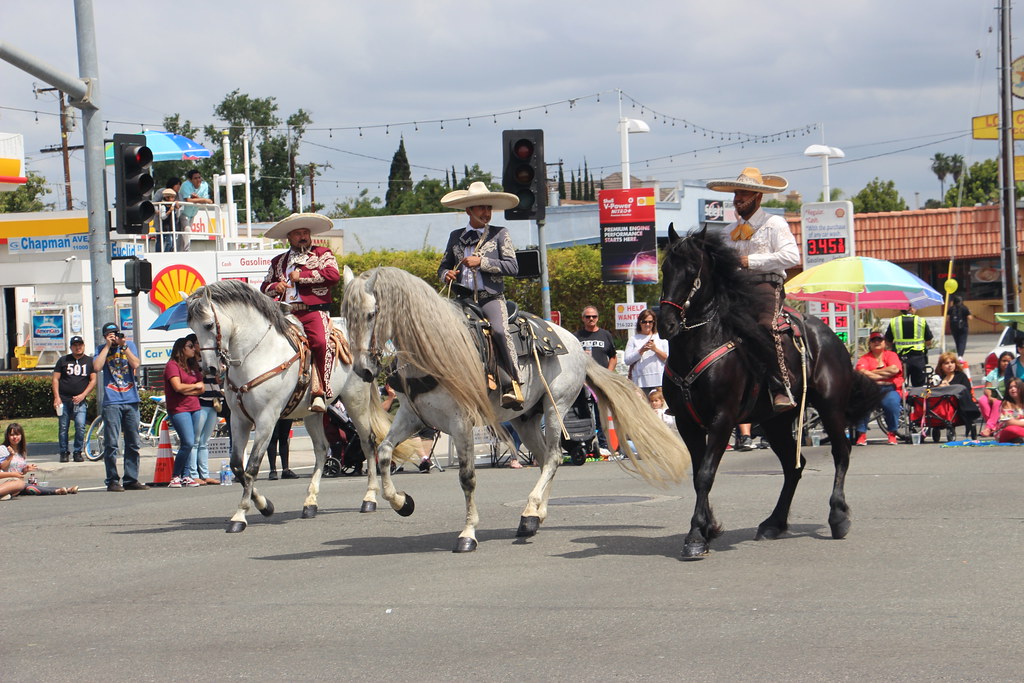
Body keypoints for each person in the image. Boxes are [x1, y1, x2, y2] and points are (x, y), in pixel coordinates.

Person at [706, 166, 800, 412]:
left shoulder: (774, 224)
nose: (738, 198)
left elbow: (791, 256)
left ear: (758, 196)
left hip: (766, 286)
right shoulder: (728, 233)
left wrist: (751, 261)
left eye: (743, 193)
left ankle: (782, 385)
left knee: (766, 325)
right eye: (736, 193)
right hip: (735, 291)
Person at [438, 181, 523, 410]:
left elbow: (513, 267)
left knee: (499, 330)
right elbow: (443, 266)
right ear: (469, 211)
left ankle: (513, 383)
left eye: (489, 208)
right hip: (462, 299)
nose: (486, 212)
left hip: (490, 298)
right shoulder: (455, 236)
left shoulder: (500, 234)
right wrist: (447, 275)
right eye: (481, 208)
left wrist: (482, 262)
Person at [260, 213, 340, 412]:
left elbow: (333, 275)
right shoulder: (278, 261)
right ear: (289, 237)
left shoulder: (322, 253)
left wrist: (301, 276)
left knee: (320, 342)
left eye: (306, 232)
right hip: (284, 313)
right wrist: (276, 287)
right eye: (298, 233)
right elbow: (264, 286)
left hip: (312, 311)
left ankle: (320, 390)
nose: (303, 236)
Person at [93, 322, 149, 492]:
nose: (114, 337)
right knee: (111, 443)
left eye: (116, 334)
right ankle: (112, 480)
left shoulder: (128, 346)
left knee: (133, 442)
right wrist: (107, 346)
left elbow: (136, 364)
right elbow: (96, 367)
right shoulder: (100, 349)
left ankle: (131, 479)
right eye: (110, 334)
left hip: (130, 399)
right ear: (105, 336)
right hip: (112, 401)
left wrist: (123, 347)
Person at [164, 337, 205, 488]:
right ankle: (175, 475)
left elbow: (202, 387)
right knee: (187, 442)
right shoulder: (172, 366)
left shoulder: (193, 366)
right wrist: (194, 387)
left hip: (194, 407)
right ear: (181, 349)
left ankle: (186, 475)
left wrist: (191, 388)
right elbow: (177, 387)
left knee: (190, 443)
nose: (193, 349)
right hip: (179, 408)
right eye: (190, 346)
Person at [575, 306, 617, 453]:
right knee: (584, 414)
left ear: (598, 318)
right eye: (587, 317)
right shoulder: (577, 336)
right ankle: (585, 445)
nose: (591, 319)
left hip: (600, 382)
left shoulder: (605, 335)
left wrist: (608, 374)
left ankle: (605, 445)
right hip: (583, 382)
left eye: (593, 316)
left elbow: (613, 357)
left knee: (602, 414)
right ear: (583, 319)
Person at [853, 331, 905, 446]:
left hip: (889, 389)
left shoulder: (891, 355)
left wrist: (872, 373)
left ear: (884, 343)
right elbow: (861, 373)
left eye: (879, 340)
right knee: (862, 403)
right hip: (870, 389)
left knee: (891, 403)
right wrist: (885, 374)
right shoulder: (865, 358)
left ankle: (892, 433)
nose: (876, 342)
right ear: (870, 344)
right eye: (873, 340)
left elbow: (894, 370)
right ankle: (861, 434)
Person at [1, 423, 78, 497]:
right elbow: (2, 467)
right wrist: (11, 455)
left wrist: (25, 469)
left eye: (17, 434)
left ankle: (66, 489)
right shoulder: (3, 449)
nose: (15, 437)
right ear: (7, 436)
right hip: (7, 481)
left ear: (21, 436)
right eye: (12, 435)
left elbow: (19, 471)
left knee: (29, 486)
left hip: (16, 481)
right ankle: (57, 491)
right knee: (25, 486)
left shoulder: (22, 452)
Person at [51, 335, 96, 463]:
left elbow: (93, 380)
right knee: (63, 427)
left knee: (80, 426)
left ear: (83, 346)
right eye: (75, 345)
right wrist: (57, 398)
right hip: (64, 399)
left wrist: (83, 395)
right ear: (71, 347)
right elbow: (55, 379)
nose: (78, 347)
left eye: (80, 345)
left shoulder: (89, 361)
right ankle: (64, 452)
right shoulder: (63, 360)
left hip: (80, 401)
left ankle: (77, 452)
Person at [188, 333, 224, 485]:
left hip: (214, 401)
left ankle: (205, 473)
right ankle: (193, 474)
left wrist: (217, 370)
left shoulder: (209, 359)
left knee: (205, 441)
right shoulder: (191, 363)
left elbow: (218, 379)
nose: (199, 346)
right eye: (196, 344)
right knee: (195, 440)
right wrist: (202, 371)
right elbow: (193, 380)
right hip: (200, 401)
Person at [885, 305, 933, 388]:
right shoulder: (921, 321)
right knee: (919, 387)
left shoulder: (894, 321)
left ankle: (903, 400)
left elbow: (888, 342)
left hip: (900, 358)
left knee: (900, 385)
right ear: (910, 308)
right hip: (918, 358)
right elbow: (928, 342)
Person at [623, 309, 669, 394]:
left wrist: (655, 349)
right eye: (644, 322)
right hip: (640, 382)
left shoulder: (661, 338)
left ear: (653, 323)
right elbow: (627, 360)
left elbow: (667, 359)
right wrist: (641, 350)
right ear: (639, 323)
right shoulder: (633, 339)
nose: (647, 324)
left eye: (650, 322)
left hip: (659, 381)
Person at [980, 351, 1013, 437]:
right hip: (994, 395)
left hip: (1007, 398)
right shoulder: (994, 373)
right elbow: (987, 387)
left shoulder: (1013, 373)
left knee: (997, 402)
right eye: (1004, 361)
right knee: (982, 400)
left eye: (1008, 361)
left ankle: (989, 427)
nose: (1006, 363)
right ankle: (994, 427)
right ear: (999, 362)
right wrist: (990, 396)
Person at [179, 169, 212, 251]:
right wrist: (202, 200)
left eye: (199, 177)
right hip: (182, 213)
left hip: (193, 214)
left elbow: (207, 200)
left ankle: (182, 251)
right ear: (190, 180)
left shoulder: (204, 185)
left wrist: (197, 198)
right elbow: (188, 200)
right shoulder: (185, 185)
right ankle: (187, 250)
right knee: (187, 230)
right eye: (195, 178)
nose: (198, 180)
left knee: (185, 233)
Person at [995, 378, 1024, 443]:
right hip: (1006, 431)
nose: (1013, 389)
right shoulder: (1006, 404)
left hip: (1021, 429)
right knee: (1011, 429)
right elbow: (1009, 422)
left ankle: (1019, 438)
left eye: (1015, 387)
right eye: (1010, 387)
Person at [947, 295, 973, 359]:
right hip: (963, 327)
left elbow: (947, 318)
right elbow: (970, 318)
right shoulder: (964, 308)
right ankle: (960, 355)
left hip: (953, 327)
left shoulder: (951, 308)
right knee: (962, 341)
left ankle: (959, 354)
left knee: (957, 341)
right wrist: (970, 312)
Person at [156, 185, 180, 253]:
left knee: (171, 243)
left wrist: (177, 209)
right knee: (166, 242)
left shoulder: (173, 206)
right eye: (171, 197)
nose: (173, 199)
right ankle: (164, 253)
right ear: (167, 197)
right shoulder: (163, 206)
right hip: (165, 227)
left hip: (171, 227)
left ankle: (168, 252)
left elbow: (177, 216)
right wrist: (169, 211)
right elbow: (163, 217)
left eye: (173, 197)